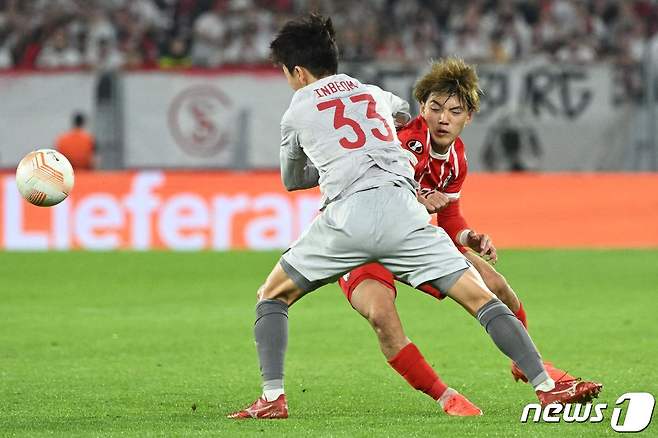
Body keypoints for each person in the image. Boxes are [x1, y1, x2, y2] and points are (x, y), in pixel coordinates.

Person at [228, 14, 587, 421]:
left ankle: (273, 398)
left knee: (272, 296)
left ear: (297, 71)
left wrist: (334, 162)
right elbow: (401, 116)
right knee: (480, 296)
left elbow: (293, 180)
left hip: (347, 217)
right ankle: (546, 385)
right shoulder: (372, 93)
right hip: (403, 210)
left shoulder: (297, 109)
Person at [338, 58, 602, 413]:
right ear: (422, 108)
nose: (443, 118)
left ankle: (530, 365)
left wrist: (467, 236)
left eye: (454, 111)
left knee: (496, 284)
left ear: (468, 117)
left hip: (409, 240)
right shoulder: (407, 143)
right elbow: (381, 189)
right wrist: (415, 197)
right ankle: (446, 397)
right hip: (361, 239)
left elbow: (448, 217)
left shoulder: (457, 158)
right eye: (435, 108)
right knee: (381, 315)